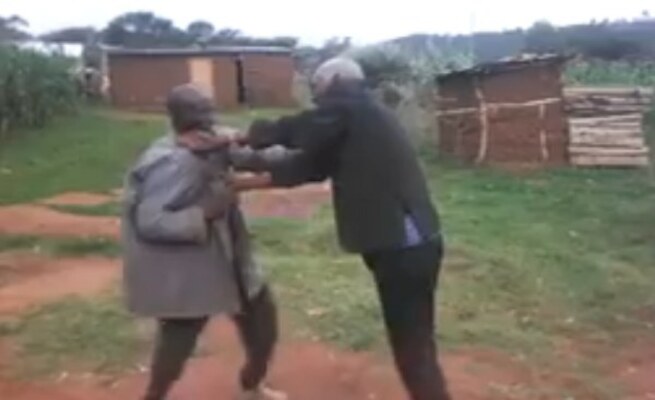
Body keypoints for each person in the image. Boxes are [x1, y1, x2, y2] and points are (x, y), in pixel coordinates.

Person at [237, 57, 451, 400]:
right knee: (416, 345)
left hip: (403, 247)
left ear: (336, 80)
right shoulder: (354, 121)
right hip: (405, 245)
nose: (316, 96)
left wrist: (248, 136)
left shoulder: (353, 105)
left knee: (413, 351)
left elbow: (305, 128)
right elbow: (309, 167)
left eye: (318, 87)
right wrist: (242, 182)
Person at [121, 84, 287, 400]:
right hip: (192, 269)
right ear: (179, 116)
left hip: (232, 257)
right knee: (178, 342)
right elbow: (150, 221)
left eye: (208, 107)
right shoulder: (170, 163)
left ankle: (252, 386)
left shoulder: (213, 142)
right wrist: (205, 213)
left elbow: (255, 157)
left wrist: (304, 149)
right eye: (199, 109)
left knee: (263, 326)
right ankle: (154, 396)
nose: (208, 115)